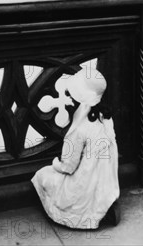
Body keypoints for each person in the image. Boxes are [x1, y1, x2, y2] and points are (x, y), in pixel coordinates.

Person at [31, 68, 120, 229]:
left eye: (73, 94)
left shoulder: (79, 129)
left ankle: (77, 212)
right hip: (106, 182)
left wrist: (55, 163)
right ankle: (105, 206)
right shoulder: (106, 118)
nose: (70, 98)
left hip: (83, 185)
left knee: (42, 175)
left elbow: (69, 167)